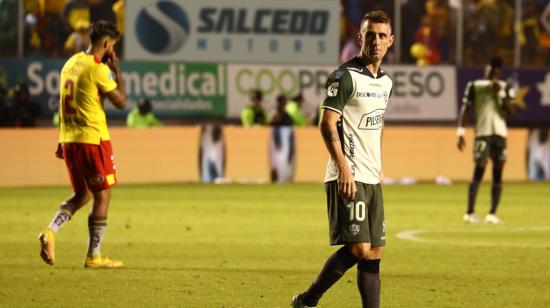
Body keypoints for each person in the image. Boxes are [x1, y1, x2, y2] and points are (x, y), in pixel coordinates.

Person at [292, 10, 394, 308]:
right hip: (347, 173)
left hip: (371, 175)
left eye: (381, 36)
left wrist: (379, 162)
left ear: (391, 41)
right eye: (370, 35)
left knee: (374, 252)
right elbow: (326, 122)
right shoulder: (345, 76)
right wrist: (343, 167)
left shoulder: (386, 82)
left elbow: (377, 123)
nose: (376, 41)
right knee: (360, 247)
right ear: (360, 37)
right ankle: (309, 299)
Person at [38, 20, 127, 268]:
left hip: (69, 140)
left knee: (82, 194)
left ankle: (50, 231)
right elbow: (121, 101)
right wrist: (117, 70)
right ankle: (94, 255)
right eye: (113, 47)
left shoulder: (72, 62)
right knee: (103, 196)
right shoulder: (98, 69)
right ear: (107, 44)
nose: (113, 51)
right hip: (92, 140)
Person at [457, 57, 516, 224]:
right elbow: (465, 110)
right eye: (489, 70)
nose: (491, 74)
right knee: (479, 169)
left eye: (494, 71)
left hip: (500, 135)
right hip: (483, 133)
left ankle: (492, 213)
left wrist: (501, 93)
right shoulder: (475, 86)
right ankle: (469, 212)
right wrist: (460, 132)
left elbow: (511, 111)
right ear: (486, 70)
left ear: (499, 72)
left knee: (498, 172)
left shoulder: (506, 87)